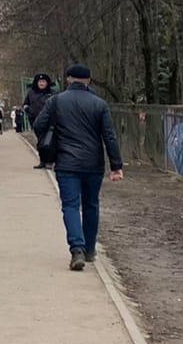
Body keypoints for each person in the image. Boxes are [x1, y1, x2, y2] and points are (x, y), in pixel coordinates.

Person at [33, 64, 124, 271]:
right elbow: (109, 136)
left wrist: (52, 144)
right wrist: (116, 165)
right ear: (89, 81)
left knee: (71, 206)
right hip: (94, 164)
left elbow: (39, 126)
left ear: (68, 80)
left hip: (66, 164)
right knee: (91, 204)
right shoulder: (100, 104)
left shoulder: (55, 102)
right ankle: (90, 249)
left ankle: (77, 250)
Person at [22, 72, 57, 166]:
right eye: (40, 81)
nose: (41, 83)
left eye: (43, 81)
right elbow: (25, 104)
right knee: (39, 143)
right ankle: (42, 161)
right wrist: (28, 110)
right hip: (34, 121)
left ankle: (49, 161)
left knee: (48, 142)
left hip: (49, 122)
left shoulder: (52, 93)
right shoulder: (31, 93)